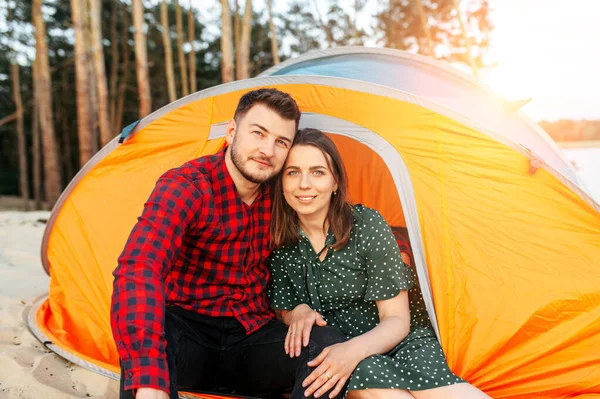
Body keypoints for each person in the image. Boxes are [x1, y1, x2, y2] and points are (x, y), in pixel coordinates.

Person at [111, 90, 346, 399]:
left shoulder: (285, 192)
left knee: (328, 342)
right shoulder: (187, 186)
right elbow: (140, 268)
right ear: (232, 132)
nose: (267, 150)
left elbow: (339, 219)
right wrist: (150, 384)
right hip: (187, 337)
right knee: (149, 330)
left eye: (281, 142)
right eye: (258, 133)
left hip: (251, 341)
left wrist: (400, 248)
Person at [268, 128, 492, 399]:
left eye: (318, 172)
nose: (304, 184)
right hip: (339, 352)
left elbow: (396, 319)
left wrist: (352, 352)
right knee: (378, 386)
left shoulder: (366, 225)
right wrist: (297, 312)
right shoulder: (279, 242)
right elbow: (284, 309)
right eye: (293, 172)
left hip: (398, 340)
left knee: (444, 392)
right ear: (281, 181)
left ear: (335, 182)